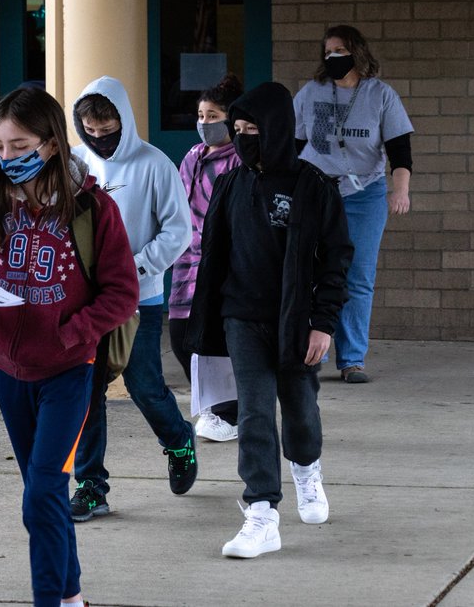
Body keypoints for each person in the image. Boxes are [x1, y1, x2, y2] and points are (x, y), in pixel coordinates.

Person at [0, 85, 138, 607]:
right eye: (0, 147)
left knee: (43, 492)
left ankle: (50, 600)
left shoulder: (93, 208)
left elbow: (122, 292)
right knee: (43, 494)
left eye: (19, 145)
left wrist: (72, 332)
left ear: (51, 144)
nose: (7, 158)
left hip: (69, 371)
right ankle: (72, 598)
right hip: (7, 369)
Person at [185, 81, 352, 559]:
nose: (241, 138)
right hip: (242, 318)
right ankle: (261, 511)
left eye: (252, 129)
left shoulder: (313, 186)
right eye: (236, 130)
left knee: (299, 408)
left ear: (277, 129)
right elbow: (214, 253)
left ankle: (306, 469)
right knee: (255, 412)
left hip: (296, 322)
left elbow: (336, 258)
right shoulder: (231, 183)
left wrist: (323, 322)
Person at [67, 76, 196, 523]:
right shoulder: (76, 164)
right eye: (91, 132)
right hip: (86, 300)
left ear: (124, 121)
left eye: (108, 132)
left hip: (141, 296)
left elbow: (179, 231)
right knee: (87, 391)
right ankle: (90, 485)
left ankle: (178, 440)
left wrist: (135, 267)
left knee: (142, 385)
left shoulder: (154, 164)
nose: (99, 141)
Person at [293, 24, 414, 383]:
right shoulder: (311, 93)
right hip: (317, 192)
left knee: (357, 276)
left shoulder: (380, 95)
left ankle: (352, 359)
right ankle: (314, 352)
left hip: (365, 194)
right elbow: (294, 144)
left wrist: (401, 190)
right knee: (311, 272)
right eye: (328, 52)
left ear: (356, 53)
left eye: (340, 51)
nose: (333, 57)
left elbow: (400, 150)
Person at [168, 74, 243, 443]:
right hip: (187, 260)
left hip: (219, 262)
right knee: (182, 334)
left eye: (213, 115)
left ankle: (230, 412)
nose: (204, 123)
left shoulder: (239, 161)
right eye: (201, 115)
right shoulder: (193, 156)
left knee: (216, 339)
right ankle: (216, 405)